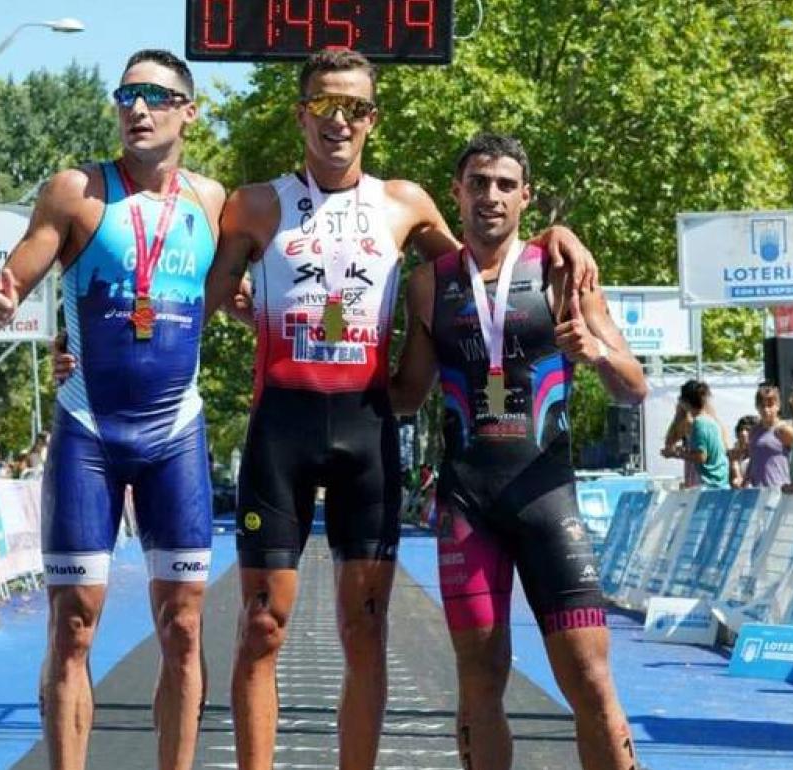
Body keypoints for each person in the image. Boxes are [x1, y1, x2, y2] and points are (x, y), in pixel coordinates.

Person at [195, 52, 599, 770]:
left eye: (354, 107)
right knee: (261, 627)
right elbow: (204, 300)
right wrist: (227, 300)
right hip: (281, 425)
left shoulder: (404, 202)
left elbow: (482, 265)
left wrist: (555, 240)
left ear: (373, 119)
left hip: (368, 426)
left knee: (366, 627)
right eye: (324, 105)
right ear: (302, 114)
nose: (339, 121)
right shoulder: (255, 204)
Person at [0, 50, 224, 770]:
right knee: (73, 625)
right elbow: (15, 276)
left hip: (175, 434)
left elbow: (262, 280)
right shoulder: (76, 191)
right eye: (126, 95)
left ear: (188, 111)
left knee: (182, 629)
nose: (138, 109)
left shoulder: (214, 201)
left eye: (155, 96)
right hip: (89, 430)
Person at [389, 133, 647, 770]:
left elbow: (634, 386)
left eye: (506, 184)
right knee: (479, 687)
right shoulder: (428, 286)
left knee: (589, 680)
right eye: (478, 183)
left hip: (546, 499)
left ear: (526, 196)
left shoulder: (562, 272)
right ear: (458, 193)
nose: (491, 196)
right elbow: (404, 396)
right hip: (467, 507)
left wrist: (596, 352)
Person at [663, 380, 729, 488]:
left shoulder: (699, 423)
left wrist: (676, 454)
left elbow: (701, 456)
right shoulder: (711, 422)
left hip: (707, 485)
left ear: (684, 402)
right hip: (716, 483)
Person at [740, 384, 793, 488]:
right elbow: (753, 459)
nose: (766, 410)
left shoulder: (784, 429)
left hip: (779, 490)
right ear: (757, 407)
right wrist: (746, 479)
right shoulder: (754, 431)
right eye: (762, 406)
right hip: (758, 491)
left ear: (778, 406)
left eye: (770, 405)